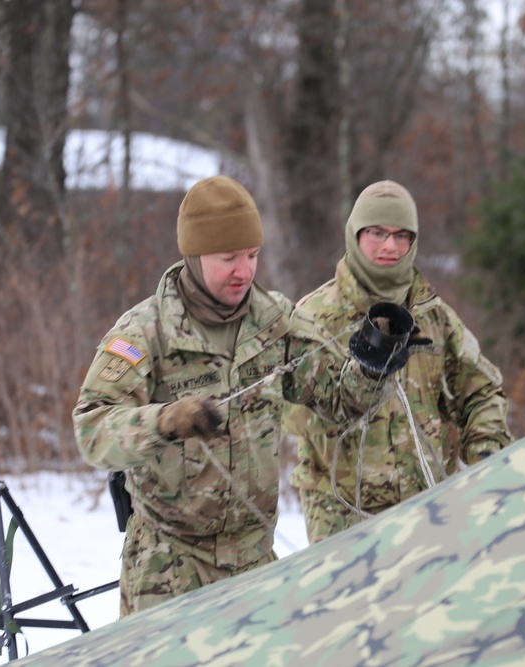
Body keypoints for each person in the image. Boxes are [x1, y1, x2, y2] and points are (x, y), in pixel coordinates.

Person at [72, 175, 404, 616]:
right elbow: (92, 430)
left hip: (254, 565)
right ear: (194, 254)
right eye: (229, 257)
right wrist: (164, 421)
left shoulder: (274, 320)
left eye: (252, 255)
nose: (245, 271)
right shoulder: (144, 332)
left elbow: (341, 400)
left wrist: (373, 362)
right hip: (169, 567)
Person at [283, 180, 512, 544]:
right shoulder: (313, 317)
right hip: (342, 517)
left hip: (428, 513)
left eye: (402, 235)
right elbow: (290, 411)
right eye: (377, 233)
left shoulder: (433, 315)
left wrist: (487, 458)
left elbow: (481, 391)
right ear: (355, 234)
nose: (390, 246)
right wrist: (359, 379)